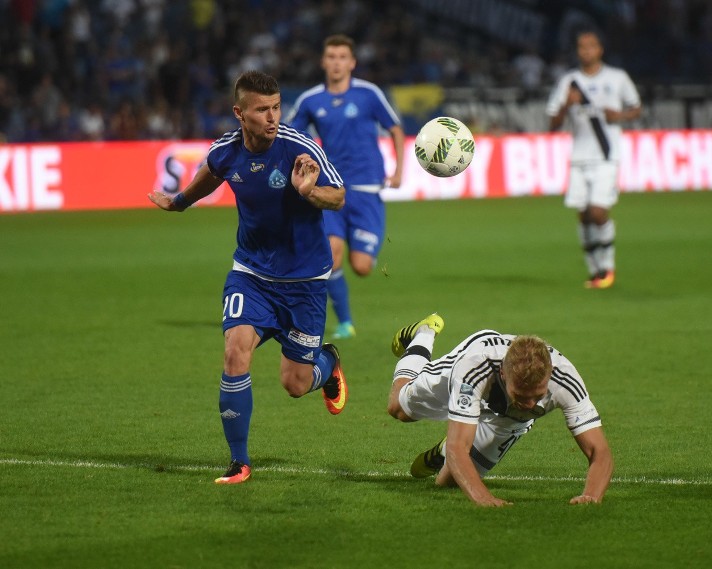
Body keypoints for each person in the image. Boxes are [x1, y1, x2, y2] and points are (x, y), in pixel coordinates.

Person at [148, 70, 348, 485]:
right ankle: (239, 462)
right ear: (240, 113)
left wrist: (309, 191)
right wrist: (181, 202)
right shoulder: (227, 149)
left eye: (276, 107)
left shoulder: (299, 149)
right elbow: (211, 172)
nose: (272, 117)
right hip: (252, 275)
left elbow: (339, 195)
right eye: (262, 110)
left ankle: (327, 366)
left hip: (305, 282)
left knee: (294, 384)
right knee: (235, 353)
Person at [386, 314, 613, 507]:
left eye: (538, 395)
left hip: (511, 420)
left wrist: (591, 496)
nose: (531, 404)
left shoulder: (565, 381)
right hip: (468, 370)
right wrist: (484, 498)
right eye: (522, 395)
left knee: (447, 483)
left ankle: (449, 443)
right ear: (504, 375)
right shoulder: (473, 369)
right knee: (398, 409)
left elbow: (599, 451)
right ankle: (424, 333)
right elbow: (459, 448)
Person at [286, 34, 405, 340]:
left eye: (342, 57)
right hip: (331, 190)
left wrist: (398, 170)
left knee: (362, 266)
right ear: (323, 62)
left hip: (366, 191)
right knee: (332, 255)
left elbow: (395, 127)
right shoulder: (311, 100)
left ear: (352, 62)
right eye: (331, 56)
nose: (337, 62)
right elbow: (288, 136)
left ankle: (362, 261)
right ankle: (345, 323)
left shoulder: (368, 94)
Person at [546, 29, 642, 289]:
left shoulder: (617, 77)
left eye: (590, 46)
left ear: (600, 49)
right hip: (579, 157)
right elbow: (552, 123)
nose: (585, 51)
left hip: (606, 155)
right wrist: (567, 105)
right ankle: (594, 270)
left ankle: (607, 267)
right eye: (581, 46)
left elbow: (636, 107)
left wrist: (618, 116)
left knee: (599, 212)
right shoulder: (569, 82)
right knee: (584, 215)